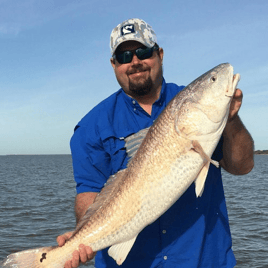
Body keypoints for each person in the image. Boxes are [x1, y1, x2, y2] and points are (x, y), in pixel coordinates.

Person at [57, 18, 254, 268]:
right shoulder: (91, 127)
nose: (135, 61)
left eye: (143, 51)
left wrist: (231, 120)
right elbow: (90, 191)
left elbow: (242, 166)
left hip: (204, 260)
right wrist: (81, 238)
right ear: (114, 64)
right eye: (124, 56)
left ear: (159, 54)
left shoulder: (191, 106)